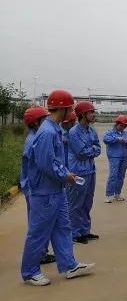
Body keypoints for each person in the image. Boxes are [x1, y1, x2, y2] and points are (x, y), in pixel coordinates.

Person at [21, 89, 94, 286]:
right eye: (70, 108)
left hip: (56, 189)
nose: (72, 112)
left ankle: (69, 265)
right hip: (44, 191)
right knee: (39, 232)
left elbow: (55, 160)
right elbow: (46, 163)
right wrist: (65, 175)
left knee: (63, 227)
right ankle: (30, 272)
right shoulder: (47, 132)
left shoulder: (53, 129)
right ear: (63, 109)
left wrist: (65, 174)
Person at [21, 106, 56, 265]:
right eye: (44, 119)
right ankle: (38, 257)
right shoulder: (34, 140)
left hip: (33, 186)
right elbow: (43, 165)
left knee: (39, 224)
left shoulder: (36, 137)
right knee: (38, 226)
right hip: (34, 187)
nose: (47, 122)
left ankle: (42, 253)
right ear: (35, 123)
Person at [67, 101, 101, 244]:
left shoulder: (91, 131)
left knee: (87, 202)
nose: (93, 114)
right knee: (76, 203)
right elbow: (80, 153)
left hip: (90, 170)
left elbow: (98, 148)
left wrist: (92, 150)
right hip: (78, 172)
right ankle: (74, 233)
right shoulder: (74, 132)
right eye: (91, 112)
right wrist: (92, 150)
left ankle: (84, 231)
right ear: (83, 114)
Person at [103, 115, 127, 203]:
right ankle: (109, 195)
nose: (123, 127)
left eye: (125, 126)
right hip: (114, 157)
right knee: (113, 175)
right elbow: (105, 140)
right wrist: (117, 139)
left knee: (121, 176)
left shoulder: (125, 134)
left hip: (124, 157)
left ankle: (117, 194)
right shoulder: (110, 132)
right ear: (117, 124)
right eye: (122, 125)